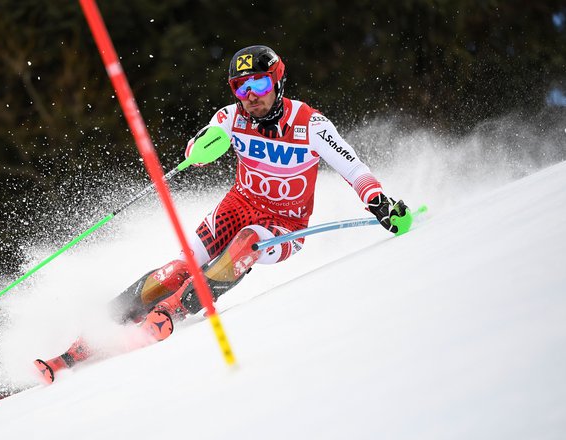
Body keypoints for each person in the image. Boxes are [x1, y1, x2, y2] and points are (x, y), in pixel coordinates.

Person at [34, 45, 408, 383]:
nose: (250, 98)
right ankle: (88, 337)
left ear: (277, 81)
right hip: (235, 207)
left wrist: (378, 202)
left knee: (247, 244)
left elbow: (354, 168)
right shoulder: (232, 117)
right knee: (174, 271)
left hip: (284, 224)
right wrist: (197, 150)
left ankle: (169, 313)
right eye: (240, 89)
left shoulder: (311, 125)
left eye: (258, 86)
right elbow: (201, 143)